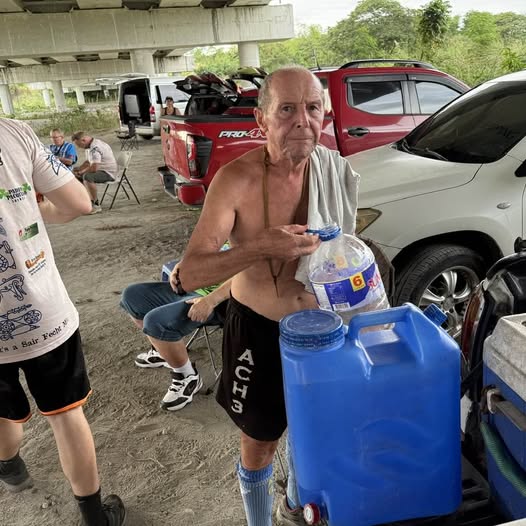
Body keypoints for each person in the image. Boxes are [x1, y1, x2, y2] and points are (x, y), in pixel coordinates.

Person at [176, 66, 359, 526]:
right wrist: (260, 247)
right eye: (287, 109)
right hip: (259, 331)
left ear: (325, 115)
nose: (302, 121)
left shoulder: (333, 170)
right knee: (260, 443)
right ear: (261, 120)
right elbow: (191, 271)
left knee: (317, 432)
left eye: (312, 108)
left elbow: (346, 250)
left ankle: (297, 505)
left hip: (324, 330)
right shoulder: (236, 179)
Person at [0, 118, 126, 526]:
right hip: (43, 314)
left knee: (2, 410)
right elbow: (78, 203)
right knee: (65, 415)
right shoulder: (13, 133)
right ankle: (94, 517)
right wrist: (35, 211)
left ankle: (10, 469)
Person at [120, 265, 231, 411]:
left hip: (223, 301)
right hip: (194, 287)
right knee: (132, 296)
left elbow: (249, 277)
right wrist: (181, 266)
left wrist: (210, 300)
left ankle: (187, 377)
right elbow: (201, 254)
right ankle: (163, 352)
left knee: (156, 322)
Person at [71, 131, 118, 215]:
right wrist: (78, 169)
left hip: (108, 172)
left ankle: (96, 205)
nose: (79, 147)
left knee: (87, 176)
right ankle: (86, 201)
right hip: (101, 170)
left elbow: (94, 168)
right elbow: (88, 162)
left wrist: (81, 172)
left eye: (79, 145)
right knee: (76, 176)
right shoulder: (89, 146)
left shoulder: (95, 148)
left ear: (83, 140)